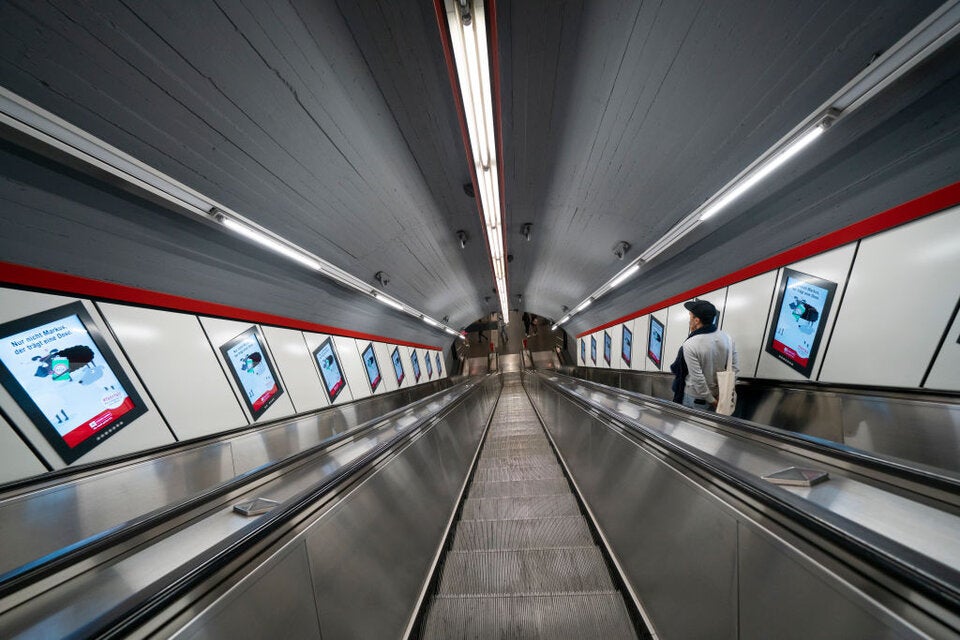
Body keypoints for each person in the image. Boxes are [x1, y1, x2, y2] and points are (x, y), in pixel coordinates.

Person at [669, 300, 738, 412]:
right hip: (718, 395)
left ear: (697, 320)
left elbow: (697, 378)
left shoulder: (691, 344)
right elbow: (734, 369)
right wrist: (721, 396)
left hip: (695, 399)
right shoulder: (728, 339)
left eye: (690, 317)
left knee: (688, 428)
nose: (689, 321)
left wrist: (711, 401)